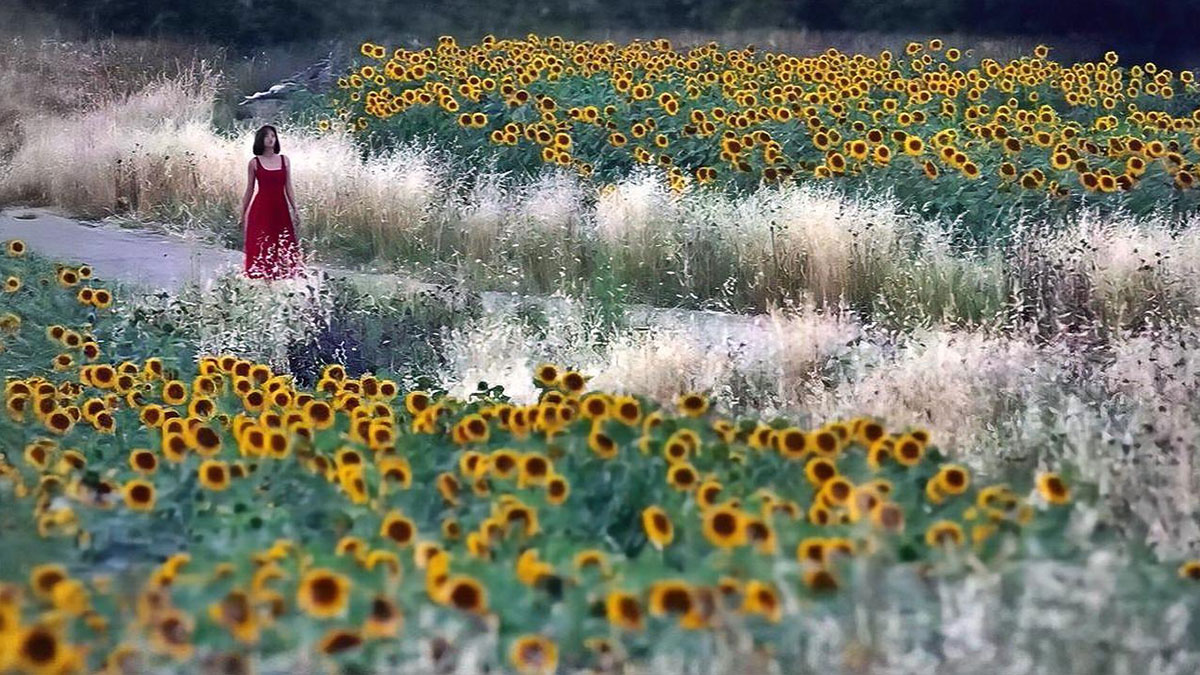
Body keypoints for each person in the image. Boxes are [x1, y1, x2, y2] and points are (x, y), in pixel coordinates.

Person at [239, 125, 305, 280]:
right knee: (261, 243)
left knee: (284, 243)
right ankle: (260, 279)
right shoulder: (254, 163)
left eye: (273, 136)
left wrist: (295, 208)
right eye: (267, 136)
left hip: (280, 209)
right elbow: (249, 190)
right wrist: (242, 213)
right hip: (261, 209)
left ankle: (284, 279)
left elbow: (289, 186)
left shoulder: (285, 160)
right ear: (260, 139)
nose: (270, 139)